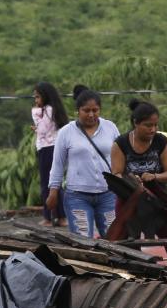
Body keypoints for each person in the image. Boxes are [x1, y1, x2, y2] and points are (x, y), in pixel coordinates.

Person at [108, 99, 167, 268]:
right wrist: (131, 179)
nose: (152, 129)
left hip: (156, 197)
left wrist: (155, 177)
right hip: (129, 197)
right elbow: (116, 174)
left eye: (155, 125)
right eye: (147, 125)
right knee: (129, 242)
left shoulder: (161, 142)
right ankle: (136, 276)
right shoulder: (120, 143)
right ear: (135, 123)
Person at [47, 88, 120, 238]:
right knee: (84, 241)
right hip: (77, 196)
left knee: (114, 240)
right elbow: (58, 164)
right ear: (78, 111)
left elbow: (121, 157)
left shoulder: (110, 128)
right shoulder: (66, 132)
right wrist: (53, 192)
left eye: (95, 110)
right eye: (86, 110)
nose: (91, 114)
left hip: (108, 194)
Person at [31, 82, 69, 227]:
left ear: (45, 97)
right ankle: (60, 216)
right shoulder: (54, 110)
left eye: (38, 97)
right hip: (54, 147)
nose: (36, 101)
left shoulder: (47, 110)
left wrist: (36, 115)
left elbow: (42, 130)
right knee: (55, 182)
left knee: (48, 183)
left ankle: (50, 217)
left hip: (47, 149)